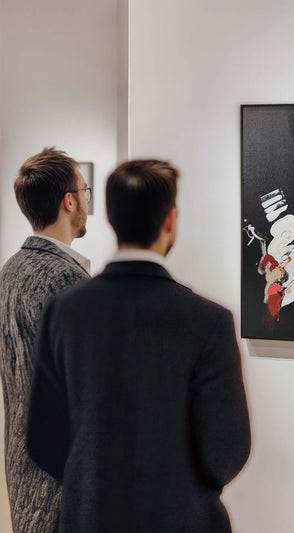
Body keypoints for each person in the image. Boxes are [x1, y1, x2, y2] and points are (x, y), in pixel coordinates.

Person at [27, 159, 251, 533]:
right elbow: (227, 450)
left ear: (112, 220)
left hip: (90, 519)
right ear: (169, 221)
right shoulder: (208, 321)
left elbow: (43, 438)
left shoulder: (65, 312)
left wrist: (91, 484)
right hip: (184, 520)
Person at [0, 147, 91, 532]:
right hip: (61, 487)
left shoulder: (11, 270)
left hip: (23, 477)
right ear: (69, 201)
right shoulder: (67, 282)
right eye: (85, 192)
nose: (86, 200)